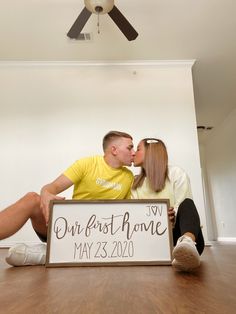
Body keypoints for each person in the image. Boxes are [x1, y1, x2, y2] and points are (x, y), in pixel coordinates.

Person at [0, 130, 135, 266]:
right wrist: (45, 194)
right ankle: (54, 251)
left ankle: (49, 253)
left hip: (101, 235)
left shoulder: (129, 177)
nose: (133, 152)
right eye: (130, 148)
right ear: (114, 150)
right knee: (32, 198)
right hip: (69, 229)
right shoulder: (86, 164)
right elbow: (51, 187)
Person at [131, 138, 204, 272]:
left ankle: (187, 243)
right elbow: (136, 215)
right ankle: (178, 258)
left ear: (151, 152)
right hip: (153, 240)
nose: (133, 153)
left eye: (138, 149)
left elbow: (183, 206)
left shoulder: (176, 173)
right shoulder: (135, 184)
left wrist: (172, 216)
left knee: (187, 203)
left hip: (178, 236)